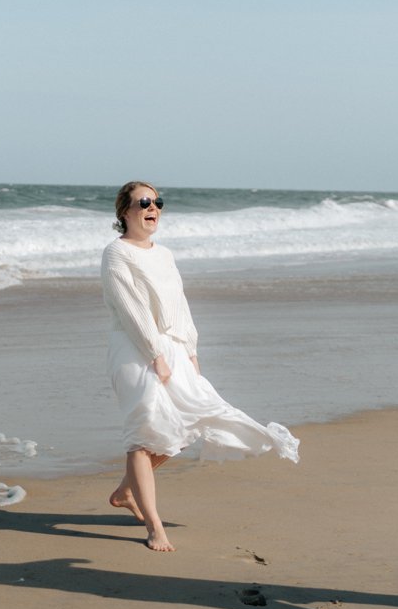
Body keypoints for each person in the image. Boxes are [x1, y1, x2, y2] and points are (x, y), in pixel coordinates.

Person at [101, 180, 299, 551]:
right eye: (143, 202)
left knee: (191, 421)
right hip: (134, 349)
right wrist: (153, 355)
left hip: (173, 347)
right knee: (143, 435)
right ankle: (155, 527)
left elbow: (180, 303)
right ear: (124, 211)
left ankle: (127, 491)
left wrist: (190, 347)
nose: (153, 208)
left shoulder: (165, 254)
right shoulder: (117, 253)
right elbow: (131, 310)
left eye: (158, 202)